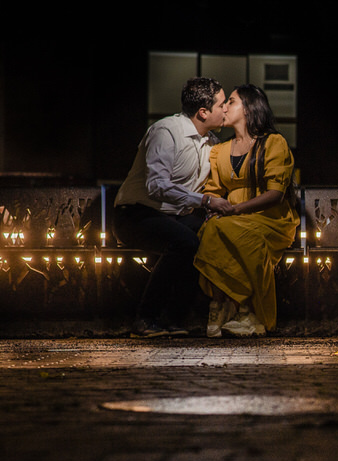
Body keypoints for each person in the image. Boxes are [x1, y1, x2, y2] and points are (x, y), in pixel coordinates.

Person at [114, 77, 226, 337]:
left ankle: (175, 320)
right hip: (135, 213)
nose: (226, 110)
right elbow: (157, 186)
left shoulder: (212, 142)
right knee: (186, 242)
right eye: (222, 105)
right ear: (203, 112)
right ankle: (146, 319)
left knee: (212, 236)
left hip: (174, 216)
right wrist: (205, 202)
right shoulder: (166, 132)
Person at [195, 84, 300, 337]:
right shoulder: (219, 151)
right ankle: (221, 307)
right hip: (232, 216)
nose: (225, 107)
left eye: (231, 101)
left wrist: (237, 209)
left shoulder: (273, 143)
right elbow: (213, 189)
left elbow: (274, 194)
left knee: (235, 231)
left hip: (270, 218)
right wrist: (212, 204)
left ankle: (245, 311)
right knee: (213, 228)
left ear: (249, 107)